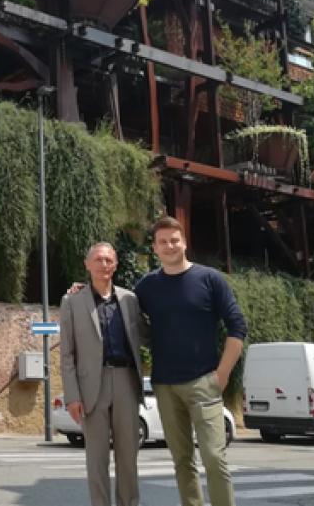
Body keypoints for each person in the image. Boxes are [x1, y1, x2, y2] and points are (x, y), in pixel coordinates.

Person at [133, 216, 247, 506]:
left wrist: (222, 374)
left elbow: (237, 327)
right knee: (182, 460)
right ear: (155, 248)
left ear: (184, 242)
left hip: (204, 381)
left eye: (174, 240)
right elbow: (119, 310)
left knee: (214, 457)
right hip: (164, 386)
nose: (169, 246)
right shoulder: (146, 287)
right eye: (163, 242)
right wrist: (84, 293)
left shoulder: (210, 279)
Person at [60, 242, 147, 506]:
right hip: (91, 387)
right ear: (87, 265)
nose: (104, 264)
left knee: (128, 456)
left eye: (109, 260)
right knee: (96, 458)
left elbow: (146, 335)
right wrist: (72, 396)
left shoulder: (130, 299)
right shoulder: (72, 301)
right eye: (98, 259)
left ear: (116, 265)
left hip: (125, 381)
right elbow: (67, 354)